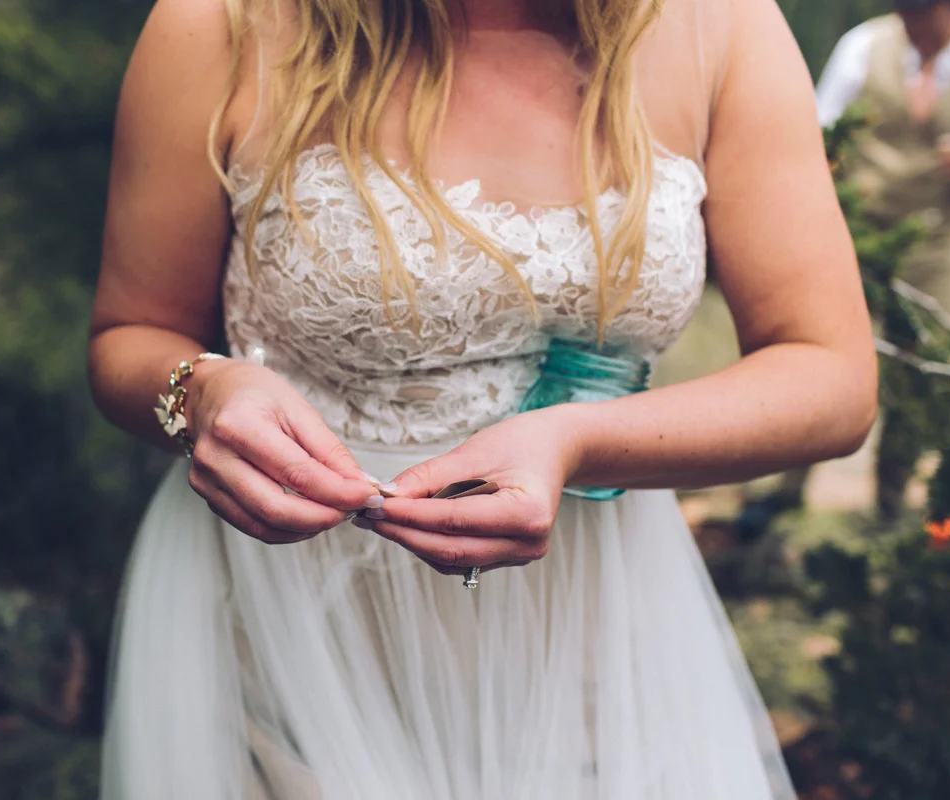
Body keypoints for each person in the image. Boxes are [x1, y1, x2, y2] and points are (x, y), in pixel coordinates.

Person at [89, 0, 876, 795]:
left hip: (595, 641)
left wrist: (578, 441)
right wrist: (206, 394)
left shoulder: (721, 24)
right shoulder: (221, 22)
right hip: (299, 632)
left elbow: (830, 374)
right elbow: (132, 332)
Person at [740, 0, 950, 533]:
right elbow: (814, 136)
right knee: (817, 358)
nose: (915, 28)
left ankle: (890, 513)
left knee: (918, 377)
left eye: (927, 17)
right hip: (856, 240)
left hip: (942, 246)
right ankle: (782, 493)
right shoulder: (866, 47)